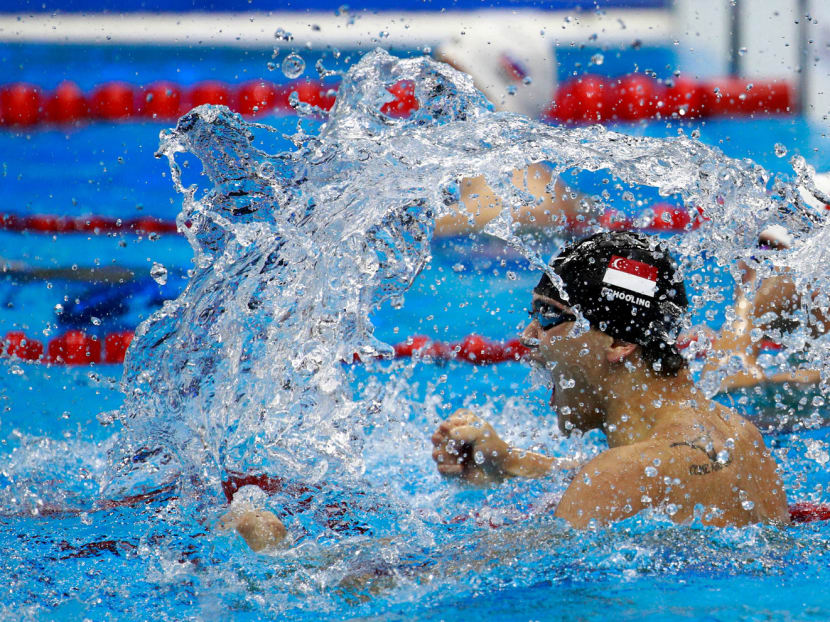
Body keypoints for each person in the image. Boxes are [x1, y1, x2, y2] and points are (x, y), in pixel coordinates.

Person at [431, 231, 790, 528]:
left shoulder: (618, 476)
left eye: (547, 316)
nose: (527, 337)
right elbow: (651, 477)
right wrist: (511, 462)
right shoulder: (741, 436)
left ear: (619, 341)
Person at [706, 225, 825, 391]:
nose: (741, 266)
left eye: (760, 253)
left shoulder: (768, 287)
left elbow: (715, 379)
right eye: (753, 255)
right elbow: (719, 376)